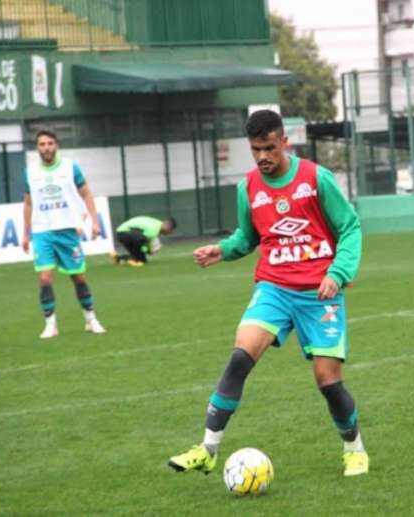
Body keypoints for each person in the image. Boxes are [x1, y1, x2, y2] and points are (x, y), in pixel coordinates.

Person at [168, 110, 368, 476]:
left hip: (318, 293)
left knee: (328, 380)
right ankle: (207, 449)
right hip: (273, 287)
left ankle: (354, 448)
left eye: (270, 148)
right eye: (256, 149)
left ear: (284, 142)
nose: (263, 156)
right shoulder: (248, 188)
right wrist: (223, 249)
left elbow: (350, 227)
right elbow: (248, 237)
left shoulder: (315, 178)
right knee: (239, 357)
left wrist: (338, 274)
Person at [21, 129, 106, 339]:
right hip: (43, 231)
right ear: (37, 148)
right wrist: (25, 233)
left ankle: (90, 319)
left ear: (56, 145)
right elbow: (28, 203)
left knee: (78, 277)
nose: (46, 147)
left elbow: (86, 193)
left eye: (50, 143)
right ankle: (50, 325)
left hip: (68, 229)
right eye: (42, 144)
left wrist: (94, 221)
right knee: (45, 278)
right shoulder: (29, 172)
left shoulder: (70, 167)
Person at [112, 215, 177, 266]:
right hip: (125, 233)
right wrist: (148, 250)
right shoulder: (154, 229)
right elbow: (140, 240)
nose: (169, 233)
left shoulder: (157, 223)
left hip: (122, 233)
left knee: (142, 260)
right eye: (170, 231)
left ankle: (118, 258)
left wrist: (145, 250)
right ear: (168, 227)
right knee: (140, 253)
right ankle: (133, 259)